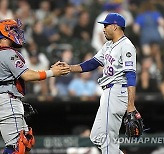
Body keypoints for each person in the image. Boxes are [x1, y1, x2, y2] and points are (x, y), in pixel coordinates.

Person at [62, 13, 141, 154]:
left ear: (115, 26)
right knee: (97, 136)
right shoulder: (108, 45)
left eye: (106, 25)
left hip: (117, 91)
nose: (103, 29)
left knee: (106, 138)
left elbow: (131, 76)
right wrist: (69, 68)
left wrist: (131, 105)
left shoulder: (126, 46)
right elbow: (92, 63)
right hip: (108, 92)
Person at [0, 19, 70, 154]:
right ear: (5, 33)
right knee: (16, 148)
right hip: (7, 99)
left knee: (26, 142)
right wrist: (52, 73)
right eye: (14, 30)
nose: (18, 32)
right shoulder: (7, 53)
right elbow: (27, 75)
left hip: (8, 99)